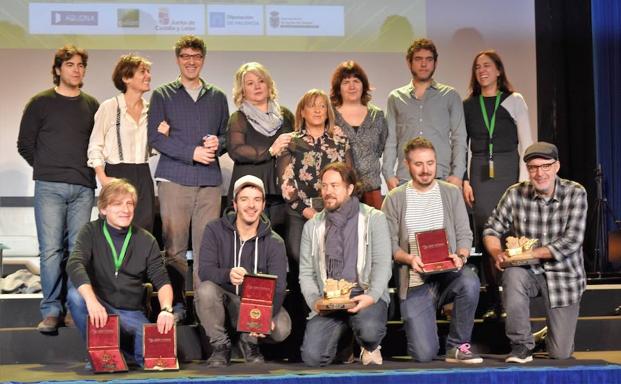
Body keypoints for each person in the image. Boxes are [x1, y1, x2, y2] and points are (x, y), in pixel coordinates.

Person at [17, 45, 99, 333]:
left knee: (77, 252)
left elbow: (98, 146)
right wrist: (47, 168)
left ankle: (73, 308)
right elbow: (24, 144)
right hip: (49, 187)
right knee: (51, 250)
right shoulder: (40, 102)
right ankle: (51, 310)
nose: (76, 69)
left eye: (80, 65)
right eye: (70, 65)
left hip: (83, 188)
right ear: (57, 69)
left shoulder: (92, 105)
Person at [147, 35, 229, 319]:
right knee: (174, 248)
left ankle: (204, 308)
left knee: (207, 249)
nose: (191, 61)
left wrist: (220, 143)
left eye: (196, 56)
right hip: (174, 179)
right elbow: (155, 138)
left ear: (203, 60)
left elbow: (226, 136)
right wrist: (191, 152)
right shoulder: (162, 94)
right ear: (178, 60)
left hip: (208, 181)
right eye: (185, 56)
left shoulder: (217, 96)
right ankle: (177, 305)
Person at [482, 142, 587, 363]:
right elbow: (492, 228)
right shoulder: (515, 193)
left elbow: (572, 241)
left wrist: (529, 254)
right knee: (512, 275)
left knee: (560, 354)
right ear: (527, 170)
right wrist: (496, 252)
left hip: (564, 277)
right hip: (526, 273)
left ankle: (546, 336)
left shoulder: (576, 193)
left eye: (545, 166)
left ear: (556, 166)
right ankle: (521, 345)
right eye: (533, 167)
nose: (539, 173)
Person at [382, 137, 482, 364]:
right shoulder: (394, 198)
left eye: (430, 163)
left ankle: (458, 346)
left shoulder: (451, 192)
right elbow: (389, 244)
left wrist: (462, 254)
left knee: (469, 280)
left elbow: (465, 235)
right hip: (416, 282)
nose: (425, 170)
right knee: (424, 355)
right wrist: (408, 258)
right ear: (407, 165)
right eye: (418, 164)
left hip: (449, 275)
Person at [66, 179, 174, 367]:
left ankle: (122, 352)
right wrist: (92, 302)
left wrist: (166, 309)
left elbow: (162, 279)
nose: (125, 209)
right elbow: (75, 264)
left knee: (155, 360)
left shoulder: (146, 239)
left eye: (129, 203)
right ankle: (98, 350)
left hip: (130, 312)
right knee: (75, 296)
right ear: (103, 209)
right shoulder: (90, 231)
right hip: (100, 307)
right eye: (117, 204)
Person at [462, 50, 534, 319]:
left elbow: (526, 143)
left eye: (488, 66)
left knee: (509, 236)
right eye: (478, 66)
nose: (482, 70)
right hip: (480, 173)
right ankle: (494, 300)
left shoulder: (514, 100)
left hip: (508, 170)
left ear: (499, 70)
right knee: (486, 236)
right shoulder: (468, 105)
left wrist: (524, 183)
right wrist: (465, 180)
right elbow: (462, 147)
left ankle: (513, 299)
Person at [299, 162, 392, 367]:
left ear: (349, 189)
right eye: (324, 186)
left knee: (369, 331)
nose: (328, 192)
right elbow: (305, 273)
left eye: (335, 186)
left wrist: (371, 296)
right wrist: (315, 301)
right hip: (329, 301)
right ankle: (344, 342)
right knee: (313, 357)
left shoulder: (373, 218)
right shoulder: (312, 226)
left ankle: (369, 345)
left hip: (364, 295)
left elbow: (383, 264)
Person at [195, 175, 291, 367]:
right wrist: (227, 274)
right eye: (244, 199)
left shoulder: (274, 241)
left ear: (263, 205)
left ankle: (250, 343)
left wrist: (267, 317)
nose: (251, 205)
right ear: (235, 204)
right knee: (205, 290)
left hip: (255, 306)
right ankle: (221, 347)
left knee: (281, 328)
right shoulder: (214, 230)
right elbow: (205, 271)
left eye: (257, 200)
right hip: (225, 300)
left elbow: (279, 287)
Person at [87, 54, 161, 233]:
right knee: (114, 229)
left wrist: (162, 135)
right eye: (142, 72)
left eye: (148, 72)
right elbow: (95, 145)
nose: (148, 76)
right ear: (126, 78)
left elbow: (152, 148)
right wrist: (103, 178)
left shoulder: (151, 109)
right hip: (117, 173)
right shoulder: (109, 107)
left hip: (143, 174)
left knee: (143, 229)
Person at [382, 38, 467, 191]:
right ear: (409, 62)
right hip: (405, 178)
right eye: (418, 59)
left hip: (442, 178)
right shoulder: (395, 97)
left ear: (435, 63)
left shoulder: (450, 95)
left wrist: (458, 174)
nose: (424, 64)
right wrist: (388, 174)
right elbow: (391, 140)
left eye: (429, 59)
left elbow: (459, 139)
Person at [227, 62, 294, 234]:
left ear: (269, 84)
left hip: (281, 192)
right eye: (250, 83)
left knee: (281, 245)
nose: (257, 86)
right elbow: (236, 150)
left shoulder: (285, 116)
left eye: (261, 81)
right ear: (242, 91)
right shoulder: (238, 118)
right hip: (251, 193)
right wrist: (271, 150)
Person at [330, 60, 388, 209]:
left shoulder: (377, 115)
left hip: (372, 189)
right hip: (340, 190)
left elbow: (381, 147)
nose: (352, 86)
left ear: (364, 85)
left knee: (371, 230)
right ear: (338, 87)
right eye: (346, 82)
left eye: (356, 81)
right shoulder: (330, 115)